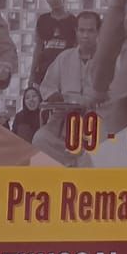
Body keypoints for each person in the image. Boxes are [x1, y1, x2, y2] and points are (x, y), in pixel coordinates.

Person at [33, 10, 103, 167]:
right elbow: (47, 86)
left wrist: (91, 101)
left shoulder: (108, 60)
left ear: (98, 32)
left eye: (90, 31)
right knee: (40, 139)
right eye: (82, 31)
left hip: (95, 122)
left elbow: (115, 94)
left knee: (102, 147)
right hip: (64, 122)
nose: (85, 36)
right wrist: (53, 95)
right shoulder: (64, 58)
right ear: (76, 32)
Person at [30, 0, 78, 87]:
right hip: (44, 70)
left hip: (66, 71)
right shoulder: (42, 20)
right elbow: (38, 47)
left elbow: (77, 49)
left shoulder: (74, 21)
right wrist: (32, 75)